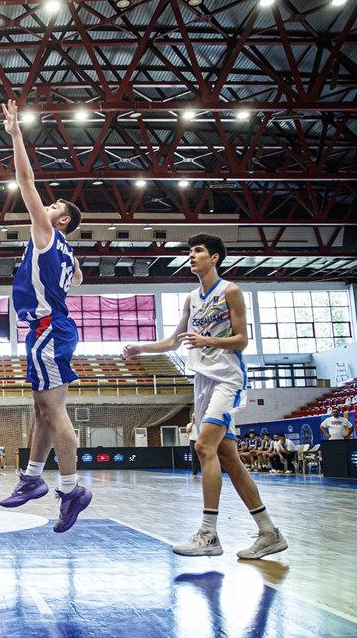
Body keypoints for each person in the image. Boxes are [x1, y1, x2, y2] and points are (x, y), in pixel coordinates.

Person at [124, 234, 287, 560]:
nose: (192, 255)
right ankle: (269, 532)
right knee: (228, 457)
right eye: (190, 251)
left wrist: (207, 341)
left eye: (198, 251)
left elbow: (241, 340)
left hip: (227, 378)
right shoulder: (191, 299)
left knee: (203, 446)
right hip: (202, 381)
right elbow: (174, 341)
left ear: (214, 258)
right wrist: (141, 347)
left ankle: (208, 533)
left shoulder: (231, 291)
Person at [0, 99, 91, 533]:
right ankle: (33, 477)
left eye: (53, 206)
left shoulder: (48, 234)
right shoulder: (66, 251)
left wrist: (16, 134)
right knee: (42, 409)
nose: (45, 207)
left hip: (49, 328)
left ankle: (71, 489)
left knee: (53, 411)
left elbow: (25, 180)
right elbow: (79, 277)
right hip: (53, 327)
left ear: (62, 219)